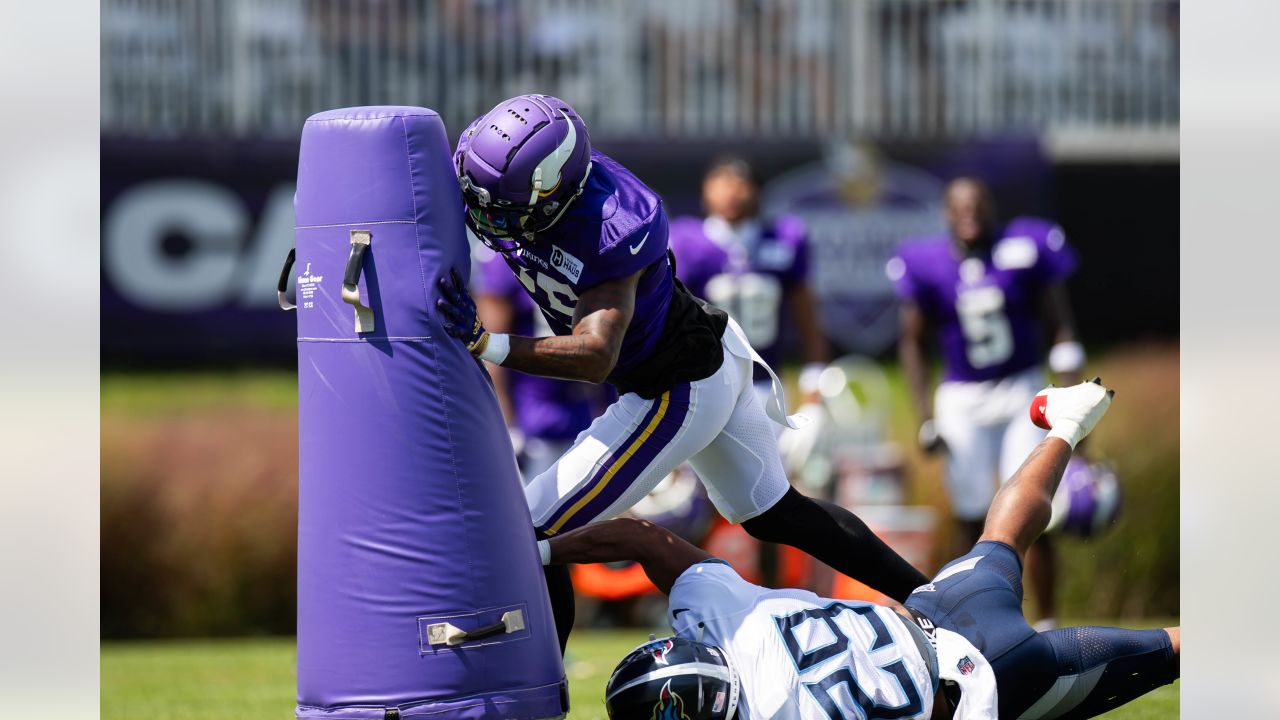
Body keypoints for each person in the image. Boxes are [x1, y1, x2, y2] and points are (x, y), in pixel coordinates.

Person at [436, 94, 926, 652]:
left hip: (673, 388)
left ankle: (541, 694)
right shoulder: (519, 182)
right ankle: (934, 600)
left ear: (554, 191)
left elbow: (596, 355)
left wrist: (487, 343)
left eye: (503, 205)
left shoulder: (613, 221)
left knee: (530, 527)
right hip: (706, 353)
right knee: (776, 513)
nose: (487, 216)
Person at [542, 379, 1178, 719]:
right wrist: (534, 554)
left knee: (1171, 651)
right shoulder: (729, 621)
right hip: (941, 610)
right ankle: (1066, 426)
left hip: (994, 683)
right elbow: (637, 535)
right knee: (1000, 540)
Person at [888, 177, 1083, 629]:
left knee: (1035, 507)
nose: (969, 213)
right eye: (959, 206)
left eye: (977, 204)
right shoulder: (926, 261)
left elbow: (1060, 324)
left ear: (992, 206)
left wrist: (1071, 391)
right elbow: (912, 343)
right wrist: (925, 416)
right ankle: (965, 624)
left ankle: (1047, 621)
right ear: (946, 213)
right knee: (970, 512)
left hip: (1022, 387)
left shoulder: (1026, 246)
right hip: (961, 395)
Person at [669, 156, 830, 408]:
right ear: (704, 191)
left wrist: (814, 377)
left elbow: (806, 316)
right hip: (703, 383)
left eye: (740, 182)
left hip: (765, 383)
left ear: (757, 191)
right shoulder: (686, 241)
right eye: (722, 182)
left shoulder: (784, 238)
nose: (731, 192)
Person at [472, 245, 610, 481]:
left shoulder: (586, 241)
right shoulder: (502, 255)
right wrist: (506, 425)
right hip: (535, 423)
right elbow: (488, 347)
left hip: (590, 412)